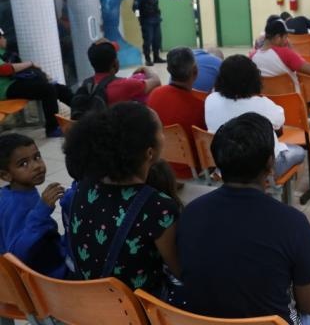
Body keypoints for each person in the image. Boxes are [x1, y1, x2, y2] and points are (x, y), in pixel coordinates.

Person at [177, 113, 310, 324]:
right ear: (271, 164)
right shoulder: (292, 223)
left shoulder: (190, 212)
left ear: (219, 164)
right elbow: (309, 305)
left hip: (202, 321)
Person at [63, 102, 180, 291]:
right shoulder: (159, 207)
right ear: (150, 153)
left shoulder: (84, 186)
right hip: (138, 306)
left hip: (88, 299)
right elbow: (180, 270)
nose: (163, 136)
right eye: (161, 131)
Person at [206, 55, 306, 180]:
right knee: (300, 151)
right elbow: (279, 121)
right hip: (261, 170)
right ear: (253, 79)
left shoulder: (210, 100)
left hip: (225, 164)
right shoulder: (261, 104)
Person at [0, 133, 66, 278]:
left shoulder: (19, 192)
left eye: (37, 157)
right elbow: (17, 256)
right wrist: (42, 212)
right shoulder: (13, 205)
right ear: (6, 175)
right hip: (46, 276)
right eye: (23, 164)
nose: (37, 166)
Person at [0, 28, 73, 137]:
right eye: (2, 37)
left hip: (16, 82)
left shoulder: (4, 52)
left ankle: (84, 111)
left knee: (59, 88)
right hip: (5, 89)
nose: (5, 39)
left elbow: (17, 69)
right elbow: (5, 69)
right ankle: (52, 128)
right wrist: (30, 63)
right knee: (47, 89)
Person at [147, 47, 206, 180]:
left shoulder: (154, 94)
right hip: (190, 172)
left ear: (168, 70)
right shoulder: (200, 106)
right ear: (195, 71)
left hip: (159, 166)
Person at [251, 19, 310, 90]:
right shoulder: (285, 53)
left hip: (267, 101)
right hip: (293, 101)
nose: (287, 40)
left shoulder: (252, 56)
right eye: (286, 37)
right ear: (278, 37)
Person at [85, 40, 160, 105]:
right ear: (115, 63)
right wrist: (145, 68)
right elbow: (156, 81)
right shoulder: (126, 85)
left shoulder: (86, 85)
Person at [132, 0, 165, 67]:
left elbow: (156, 5)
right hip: (146, 21)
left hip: (156, 20)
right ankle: (148, 59)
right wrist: (139, 18)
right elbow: (135, 8)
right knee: (148, 40)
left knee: (157, 39)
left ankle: (156, 57)